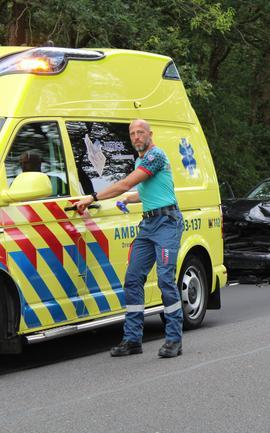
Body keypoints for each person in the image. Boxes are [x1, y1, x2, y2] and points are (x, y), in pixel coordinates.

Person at [75, 119, 184, 358]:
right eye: (133, 133)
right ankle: (133, 339)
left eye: (140, 132)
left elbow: (125, 183)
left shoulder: (155, 156)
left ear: (150, 134)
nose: (136, 136)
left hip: (167, 223)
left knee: (166, 280)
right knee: (133, 279)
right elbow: (148, 193)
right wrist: (129, 199)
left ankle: (174, 339)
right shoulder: (141, 160)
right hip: (149, 224)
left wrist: (92, 197)